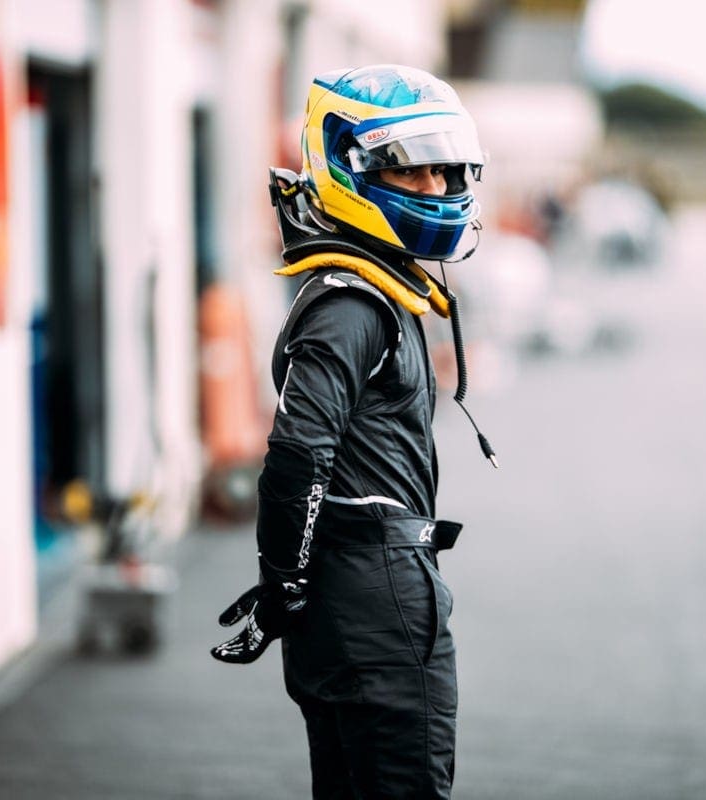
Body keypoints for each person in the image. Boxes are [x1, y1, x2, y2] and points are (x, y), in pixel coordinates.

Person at [211, 64, 494, 798]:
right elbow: (299, 453)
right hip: (378, 606)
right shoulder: (354, 305)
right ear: (351, 171)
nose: (436, 191)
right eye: (414, 175)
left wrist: (293, 589)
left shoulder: (367, 290)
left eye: (444, 174)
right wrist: (283, 586)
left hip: (350, 603)